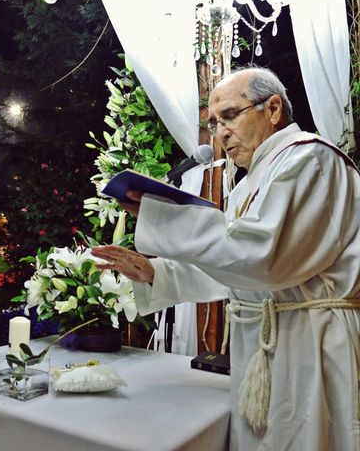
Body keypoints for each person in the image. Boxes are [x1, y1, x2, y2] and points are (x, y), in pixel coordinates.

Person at [92, 66, 360, 450]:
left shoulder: (310, 160)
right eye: (215, 123)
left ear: (272, 109)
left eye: (231, 115)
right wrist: (155, 271)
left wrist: (167, 219)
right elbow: (234, 271)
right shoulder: (248, 183)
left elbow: (265, 260)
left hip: (311, 342)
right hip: (264, 347)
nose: (220, 133)